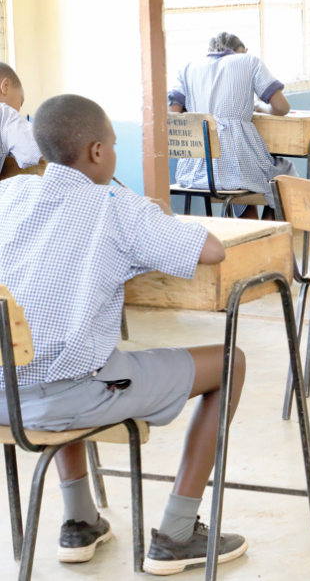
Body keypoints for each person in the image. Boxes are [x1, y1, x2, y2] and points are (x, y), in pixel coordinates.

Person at [0, 94, 247, 575]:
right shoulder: (115, 205)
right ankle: (177, 533)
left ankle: (79, 519)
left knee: (63, 342)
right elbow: (212, 251)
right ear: (97, 153)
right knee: (230, 361)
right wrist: (141, 207)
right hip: (64, 398)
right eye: (112, 146)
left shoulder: (7, 195)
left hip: (1, 392)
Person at [169, 32, 295, 219]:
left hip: (193, 173)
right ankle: (267, 235)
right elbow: (282, 107)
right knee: (284, 175)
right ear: (241, 51)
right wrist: (259, 106)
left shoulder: (187, 68)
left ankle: (250, 235)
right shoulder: (249, 61)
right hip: (236, 169)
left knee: (245, 187)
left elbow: (172, 115)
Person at [0, 62, 42, 170]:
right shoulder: (5, 114)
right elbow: (37, 149)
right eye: (21, 101)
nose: (19, 110)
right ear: (5, 86)